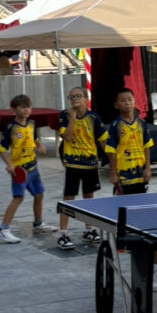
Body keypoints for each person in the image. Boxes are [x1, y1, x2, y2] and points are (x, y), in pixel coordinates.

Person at [105, 87, 157, 291]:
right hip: (123, 174)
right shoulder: (114, 126)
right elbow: (110, 150)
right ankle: (123, 242)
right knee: (124, 208)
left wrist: (148, 167)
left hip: (140, 172)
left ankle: (138, 236)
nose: (128, 103)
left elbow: (147, 146)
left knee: (140, 205)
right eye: (123, 100)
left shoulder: (141, 125)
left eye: (130, 99)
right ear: (116, 105)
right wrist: (113, 172)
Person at [0, 94, 57, 243]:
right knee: (18, 197)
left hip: (33, 167)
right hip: (19, 170)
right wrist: (9, 165)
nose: (27, 109)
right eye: (23, 107)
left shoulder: (31, 124)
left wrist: (40, 146)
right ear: (14, 109)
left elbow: (34, 139)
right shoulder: (11, 128)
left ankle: (38, 223)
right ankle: (2, 229)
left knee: (39, 194)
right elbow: (2, 149)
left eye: (28, 106)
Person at [56, 87, 106, 250]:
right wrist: (72, 118)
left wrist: (113, 162)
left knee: (89, 196)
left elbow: (103, 141)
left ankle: (88, 230)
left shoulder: (94, 117)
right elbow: (67, 137)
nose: (74, 99)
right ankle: (63, 234)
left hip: (90, 163)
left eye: (78, 96)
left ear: (86, 98)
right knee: (69, 198)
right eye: (71, 97)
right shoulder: (64, 115)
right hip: (72, 163)